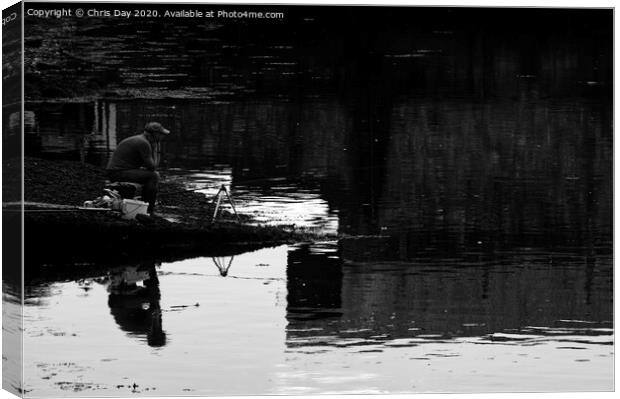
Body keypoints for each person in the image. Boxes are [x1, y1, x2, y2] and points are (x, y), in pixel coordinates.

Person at [106, 121, 170, 214]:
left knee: (152, 175)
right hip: (117, 172)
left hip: (118, 170)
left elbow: (149, 166)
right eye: (161, 134)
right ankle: (149, 209)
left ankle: (144, 204)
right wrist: (156, 149)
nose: (163, 137)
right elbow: (153, 167)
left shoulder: (142, 140)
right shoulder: (143, 143)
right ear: (154, 134)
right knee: (153, 176)